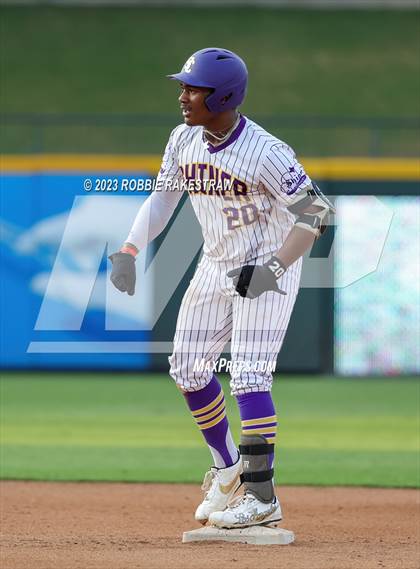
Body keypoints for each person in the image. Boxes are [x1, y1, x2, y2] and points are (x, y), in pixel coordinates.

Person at [109, 47, 334, 529]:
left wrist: (273, 268)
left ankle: (261, 498)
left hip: (267, 269)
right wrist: (129, 249)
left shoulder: (268, 152)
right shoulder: (182, 140)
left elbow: (317, 212)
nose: (183, 96)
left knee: (250, 375)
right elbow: (163, 199)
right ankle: (229, 468)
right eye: (183, 86)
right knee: (187, 368)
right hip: (215, 265)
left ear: (225, 95)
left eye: (193, 88)